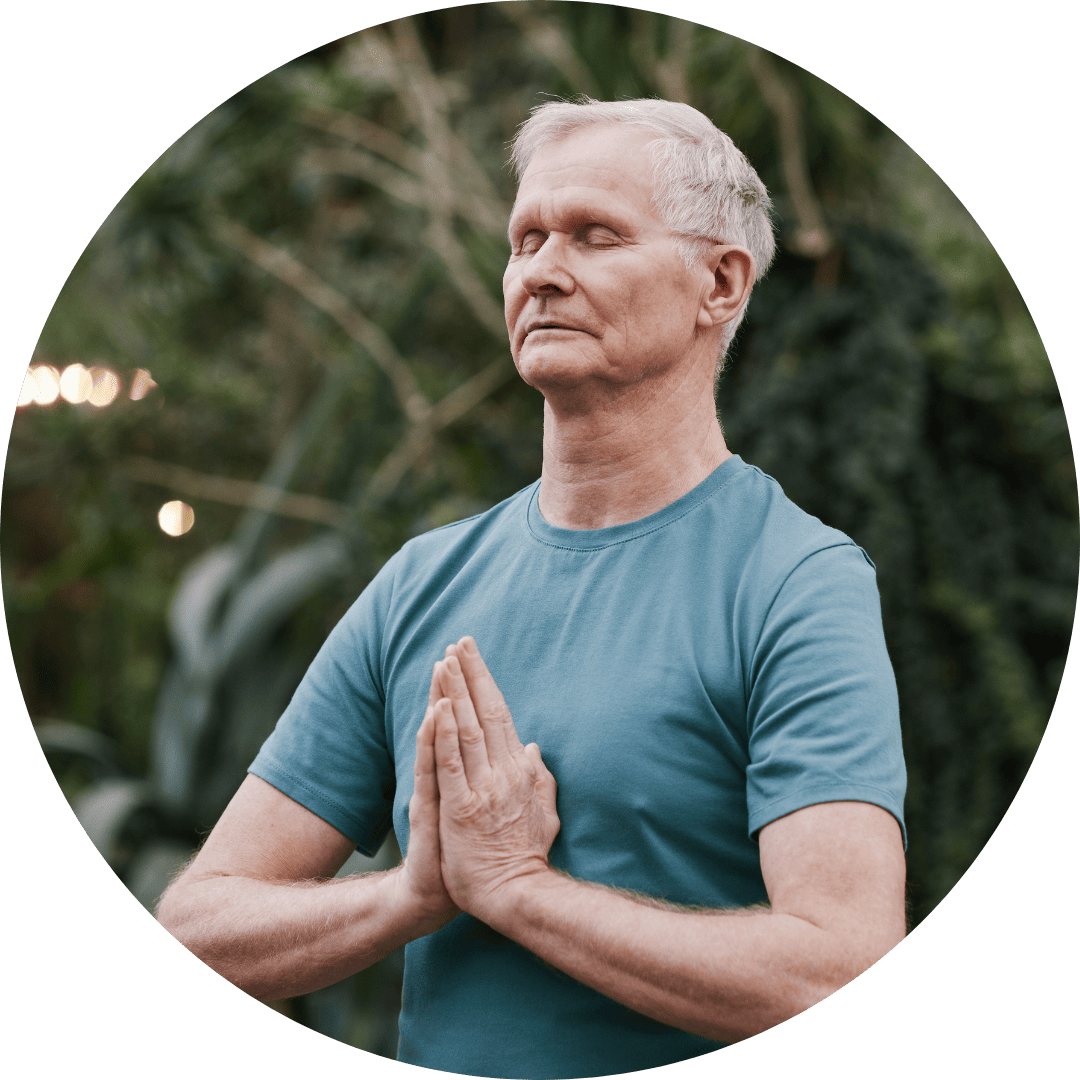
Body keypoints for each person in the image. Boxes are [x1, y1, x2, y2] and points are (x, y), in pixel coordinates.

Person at [156, 99, 907, 1080]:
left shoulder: (795, 583)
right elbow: (193, 931)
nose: (543, 271)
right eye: (526, 239)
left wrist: (518, 889)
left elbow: (841, 975)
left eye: (595, 236)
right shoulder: (421, 583)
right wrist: (413, 897)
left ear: (719, 283)